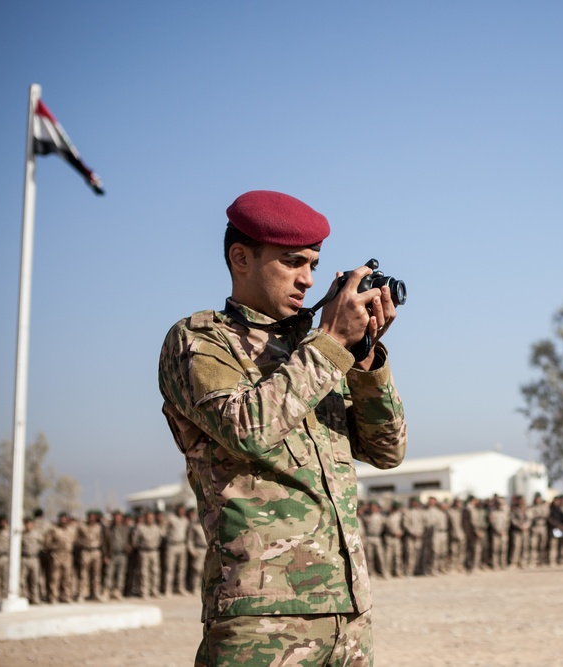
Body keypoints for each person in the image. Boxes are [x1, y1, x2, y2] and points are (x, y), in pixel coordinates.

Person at [158, 190, 407, 667]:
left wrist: (366, 360)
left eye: (314, 264)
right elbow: (247, 429)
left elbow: (386, 450)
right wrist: (332, 342)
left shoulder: (315, 351)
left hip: (348, 615)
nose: (308, 280)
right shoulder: (201, 340)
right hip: (260, 621)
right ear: (241, 258)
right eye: (293, 262)